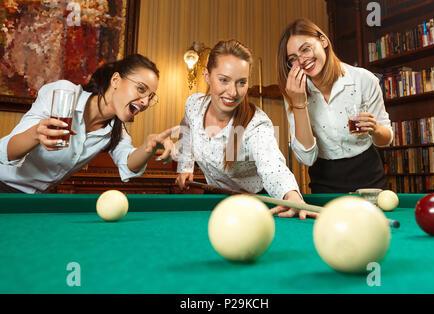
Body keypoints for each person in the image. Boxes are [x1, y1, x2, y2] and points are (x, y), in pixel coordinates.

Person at [175, 39, 316, 220]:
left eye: (241, 82)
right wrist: (185, 166)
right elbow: (186, 127)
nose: (233, 92)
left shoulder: (256, 125)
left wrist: (292, 197)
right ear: (207, 75)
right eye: (224, 80)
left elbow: (272, 166)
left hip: (256, 205)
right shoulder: (194, 105)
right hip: (216, 200)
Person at [0, 54, 176, 193]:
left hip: (33, 200)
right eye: (141, 89)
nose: (145, 102)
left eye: (150, 97)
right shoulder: (64, 94)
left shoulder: (116, 130)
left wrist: (149, 146)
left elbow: (128, 163)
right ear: (115, 80)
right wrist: (36, 134)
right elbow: (5, 152)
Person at [277, 18, 393, 194]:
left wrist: (375, 128)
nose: (302, 60)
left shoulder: (364, 79)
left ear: (323, 41)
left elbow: (385, 140)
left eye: (306, 49)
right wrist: (298, 103)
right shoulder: (294, 93)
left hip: (369, 176)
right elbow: (306, 158)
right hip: (324, 181)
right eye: (293, 58)